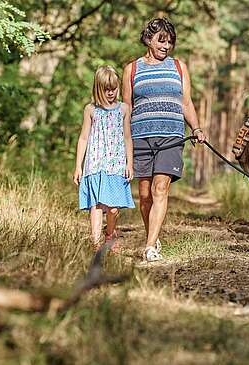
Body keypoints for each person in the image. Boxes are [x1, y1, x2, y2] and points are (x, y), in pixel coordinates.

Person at [122, 18, 207, 262]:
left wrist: (197, 127)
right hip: (139, 137)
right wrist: (121, 137)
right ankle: (153, 235)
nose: (166, 46)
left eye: (170, 42)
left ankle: (149, 246)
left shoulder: (179, 67)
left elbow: (186, 103)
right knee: (145, 195)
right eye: (162, 40)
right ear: (148, 39)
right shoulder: (132, 69)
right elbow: (127, 107)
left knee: (160, 188)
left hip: (171, 136)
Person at [73, 65, 135, 251]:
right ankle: (96, 242)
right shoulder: (91, 110)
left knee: (114, 208)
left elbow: (127, 137)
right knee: (97, 205)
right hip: (95, 163)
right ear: (98, 89)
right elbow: (83, 138)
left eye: (113, 89)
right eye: (106, 89)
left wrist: (129, 163)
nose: (110, 93)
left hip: (116, 165)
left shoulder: (123, 109)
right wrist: (78, 166)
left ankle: (110, 233)